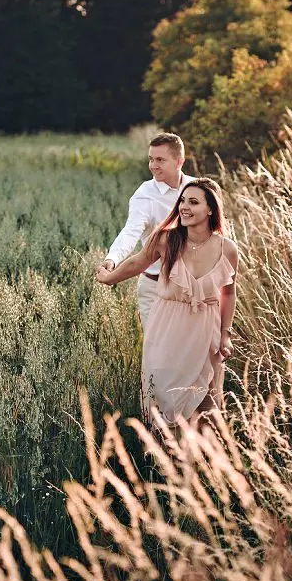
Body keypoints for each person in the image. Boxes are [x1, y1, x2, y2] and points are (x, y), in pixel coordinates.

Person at [96, 178, 238, 433]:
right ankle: (164, 457)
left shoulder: (227, 249)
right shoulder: (165, 239)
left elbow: (228, 293)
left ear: (210, 209)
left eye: (193, 202)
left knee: (205, 396)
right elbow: (137, 263)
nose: (183, 207)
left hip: (206, 328)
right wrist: (109, 277)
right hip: (167, 325)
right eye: (182, 201)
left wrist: (226, 335)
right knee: (163, 388)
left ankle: (204, 462)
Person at [97, 133, 197, 333]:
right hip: (155, 288)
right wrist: (113, 258)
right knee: (158, 354)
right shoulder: (145, 195)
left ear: (180, 161)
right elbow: (131, 231)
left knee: (189, 354)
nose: (153, 165)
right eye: (151, 159)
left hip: (193, 288)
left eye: (160, 160)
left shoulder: (198, 188)